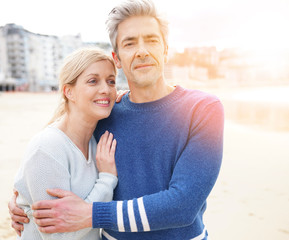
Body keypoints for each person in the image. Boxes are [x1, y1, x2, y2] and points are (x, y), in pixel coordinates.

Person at [9, 0, 224, 239]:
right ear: (117, 58)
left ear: (165, 50)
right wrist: (23, 200)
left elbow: (182, 206)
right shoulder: (105, 113)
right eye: (130, 43)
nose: (142, 50)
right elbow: (53, 152)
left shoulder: (203, 109)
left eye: (151, 40)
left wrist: (92, 214)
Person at [12, 47, 119, 239]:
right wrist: (107, 180)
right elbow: (59, 236)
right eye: (93, 81)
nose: (106, 89)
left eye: (111, 81)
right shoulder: (47, 148)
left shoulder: (97, 142)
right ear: (69, 91)